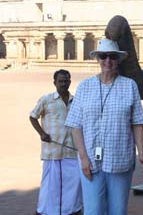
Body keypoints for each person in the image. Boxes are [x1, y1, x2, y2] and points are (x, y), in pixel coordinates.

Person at [65, 38, 143, 215]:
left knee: (118, 211)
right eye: (103, 56)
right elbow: (75, 125)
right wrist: (83, 157)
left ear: (118, 60)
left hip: (120, 159)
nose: (108, 61)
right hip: (90, 161)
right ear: (97, 58)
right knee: (93, 210)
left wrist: (141, 152)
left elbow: (137, 122)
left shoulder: (129, 86)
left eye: (112, 57)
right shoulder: (84, 87)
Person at [29, 69, 82, 215]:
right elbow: (33, 117)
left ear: (70, 82)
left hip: (72, 150)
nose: (64, 84)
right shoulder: (46, 100)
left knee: (73, 183)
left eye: (66, 81)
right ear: (54, 83)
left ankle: (70, 211)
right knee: (51, 185)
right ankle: (45, 211)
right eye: (60, 81)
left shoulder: (76, 101)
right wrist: (42, 133)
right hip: (52, 151)